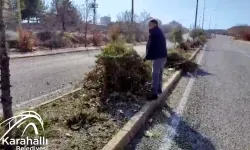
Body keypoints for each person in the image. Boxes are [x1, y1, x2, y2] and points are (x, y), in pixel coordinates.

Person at [144, 19, 167, 101]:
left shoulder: (153, 32)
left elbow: (151, 46)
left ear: (155, 24)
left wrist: (146, 57)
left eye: (150, 24)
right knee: (160, 73)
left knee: (155, 74)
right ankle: (159, 89)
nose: (148, 25)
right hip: (163, 56)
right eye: (148, 24)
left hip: (158, 57)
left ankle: (154, 93)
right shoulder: (159, 31)